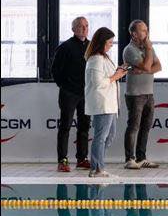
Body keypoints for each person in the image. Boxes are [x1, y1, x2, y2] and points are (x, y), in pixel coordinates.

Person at [83, 27, 128, 178]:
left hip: (110, 103)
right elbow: (98, 83)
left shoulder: (104, 57)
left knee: (109, 136)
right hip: (102, 103)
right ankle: (97, 168)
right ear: (101, 42)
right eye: (109, 42)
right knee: (101, 137)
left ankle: (97, 164)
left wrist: (119, 71)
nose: (111, 45)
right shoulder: (95, 59)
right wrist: (116, 76)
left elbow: (108, 77)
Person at [52, 16, 92, 172]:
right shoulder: (65, 47)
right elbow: (56, 70)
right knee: (65, 126)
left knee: (84, 127)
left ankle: (82, 159)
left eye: (86, 25)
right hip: (69, 93)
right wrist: (65, 86)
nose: (84, 28)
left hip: (86, 93)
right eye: (81, 26)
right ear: (73, 29)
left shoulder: (91, 46)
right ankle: (62, 160)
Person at [122, 20, 161, 170]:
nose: (146, 33)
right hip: (135, 95)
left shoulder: (148, 48)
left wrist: (145, 69)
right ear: (134, 34)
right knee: (134, 127)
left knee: (146, 127)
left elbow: (158, 66)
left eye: (146, 30)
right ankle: (129, 159)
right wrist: (148, 55)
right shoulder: (129, 50)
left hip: (149, 93)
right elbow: (147, 65)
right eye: (143, 30)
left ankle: (141, 157)